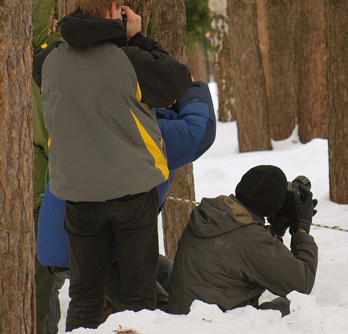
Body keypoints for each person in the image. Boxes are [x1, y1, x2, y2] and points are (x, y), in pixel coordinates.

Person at [32, 0, 192, 331]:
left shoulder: (48, 62)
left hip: (78, 194)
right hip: (132, 192)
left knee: (85, 294)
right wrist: (137, 36)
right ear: (115, 10)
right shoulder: (130, 59)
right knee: (138, 295)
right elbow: (177, 81)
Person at [36, 80, 216, 325]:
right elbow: (199, 133)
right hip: (82, 244)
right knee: (157, 314)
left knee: (166, 274)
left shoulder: (106, 114)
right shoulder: (148, 128)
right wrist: (192, 88)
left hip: (74, 238)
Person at [168, 165, 318, 316]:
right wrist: (301, 228)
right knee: (294, 306)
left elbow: (240, 250)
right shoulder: (250, 238)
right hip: (215, 325)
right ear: (273, 206)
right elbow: (301, 284)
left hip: (184, 317)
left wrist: (275, 230)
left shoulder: (211, 213)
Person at [32, 0, 64, 334]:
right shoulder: (40, 70)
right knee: (39, 293)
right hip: (39, 198)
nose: (56, 22)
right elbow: (52, 139)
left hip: (35, 196)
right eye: (49, 14)